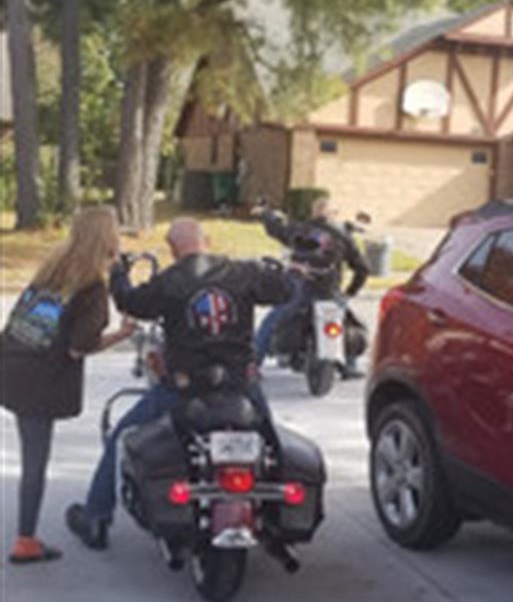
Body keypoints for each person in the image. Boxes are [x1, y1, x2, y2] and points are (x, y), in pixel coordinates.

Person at [66, 217, 296, 550]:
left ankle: (95, 518)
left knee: (120, 436)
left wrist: (118, 272)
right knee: (270, 439)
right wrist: (290, 272)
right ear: (208, 241)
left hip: (185, 389)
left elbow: (130, 302)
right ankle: (277, 519)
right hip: (239, 384)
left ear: (173, 251)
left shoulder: (170, 281)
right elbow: (287, 290)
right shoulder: (242, 273)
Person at [0, 206, 136, 564]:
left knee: (32, 454)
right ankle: (26, 540)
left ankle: (26, 536)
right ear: (108, 239)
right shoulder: (92, 288)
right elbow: (79, 348)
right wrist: (121, 335)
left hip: (12, 364)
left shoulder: (54, 267)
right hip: (40, 379)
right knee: (35, 462)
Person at [253, 197, 369, 376]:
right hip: (328, 291)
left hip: (297, 289)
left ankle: (253, 364)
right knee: (348, 321)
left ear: (313, 212)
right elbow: (362, 269)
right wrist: (350, 292)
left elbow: (276, 228)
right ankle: (348, 366)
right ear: (333, 214)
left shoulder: (299, 229)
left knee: (271, 320)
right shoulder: (343, 236)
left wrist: (265, 214)